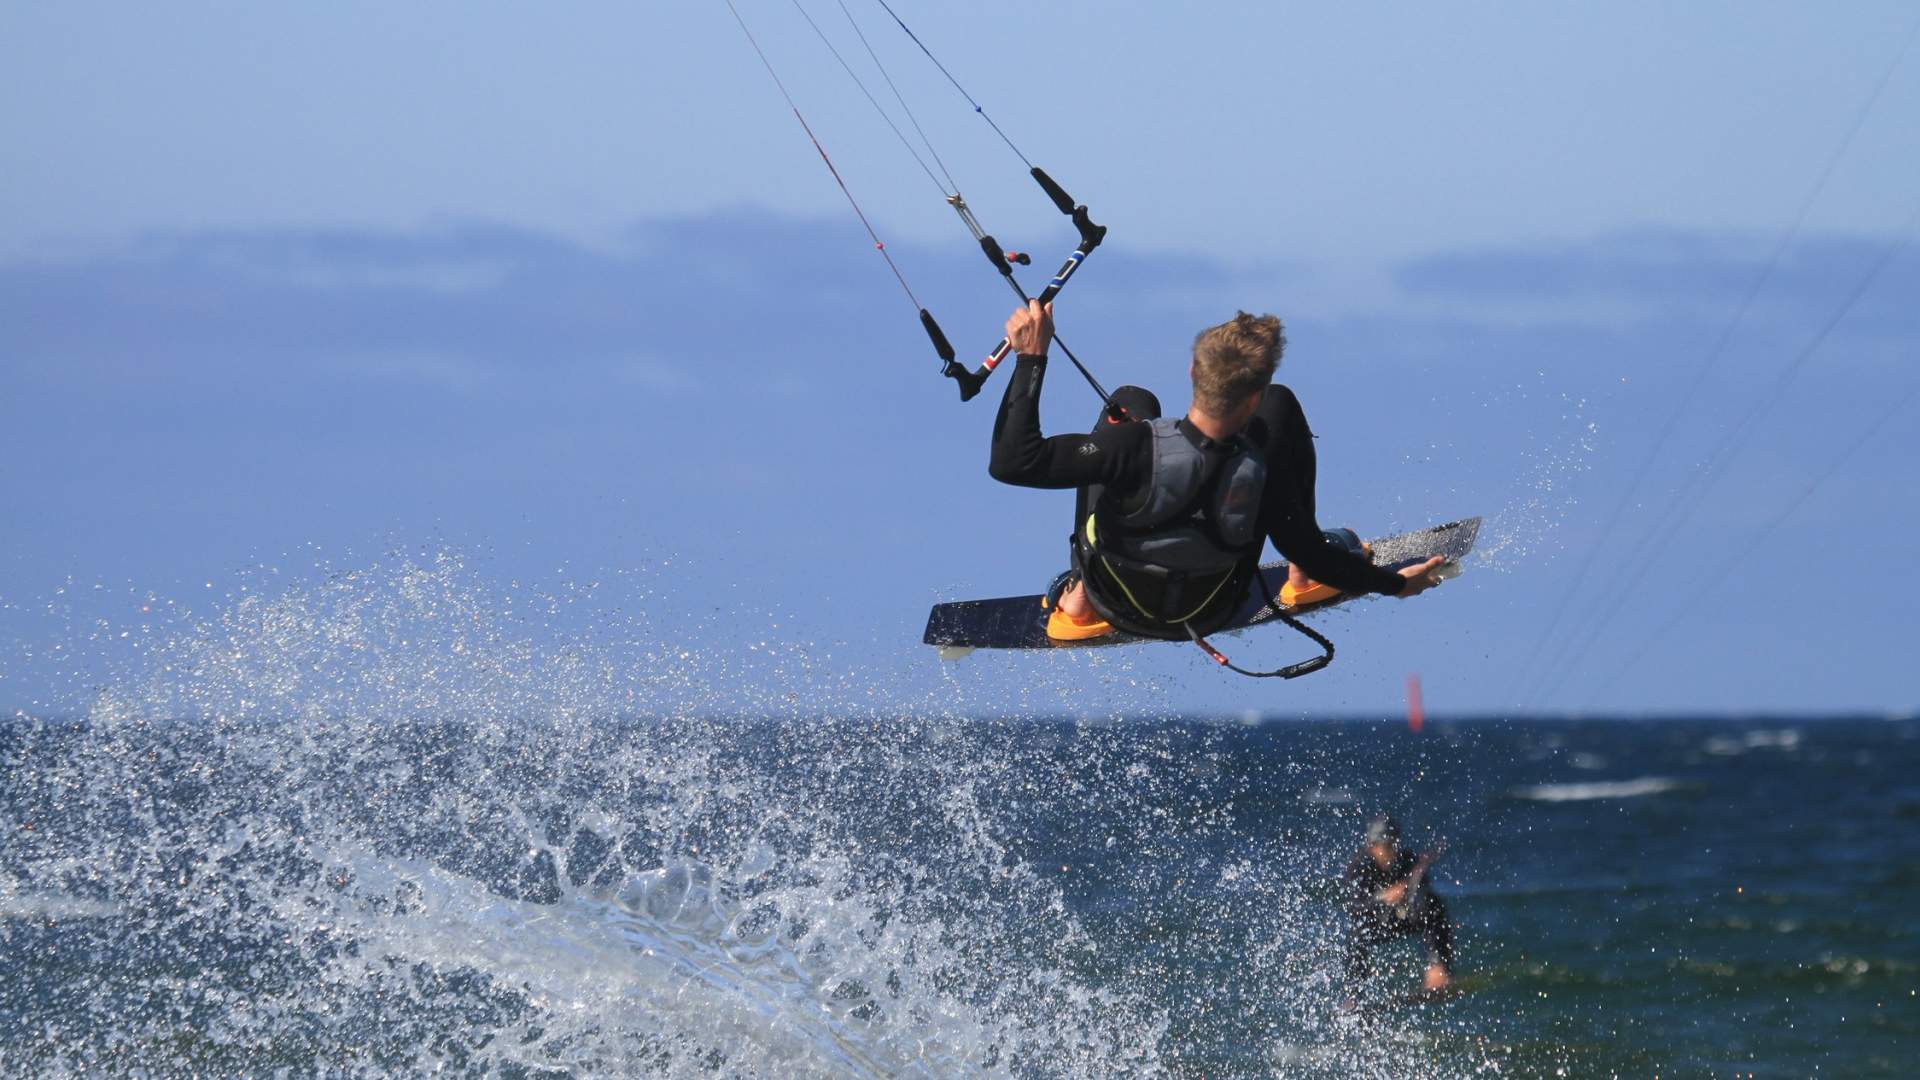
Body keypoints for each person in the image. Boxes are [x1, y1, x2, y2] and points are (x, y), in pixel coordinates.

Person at [986, 299, 1444, 643]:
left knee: (1129, 404)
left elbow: (1013, 462)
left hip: (1119, 602)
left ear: (1192, 371)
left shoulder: (1131, 447)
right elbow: (1309, 546)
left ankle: (1080, 598)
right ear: (1252, 396)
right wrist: (1396, 585)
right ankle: (1302, 579)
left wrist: (1032, 357)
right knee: (1281, 408)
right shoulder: (1262, 471)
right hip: (1211, 606)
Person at [1340, 814, 1453, 999]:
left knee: (1432, 906)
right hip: (1377, 922)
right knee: (1356, 937)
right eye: (1386, 846)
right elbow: (1354, 907)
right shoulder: (1358, 866)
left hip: (1403, 917)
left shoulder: (1407, 860)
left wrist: (1410, 888)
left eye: (1394, 845)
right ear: (1372, 846)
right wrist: (1384, 897)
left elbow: (1424, 889)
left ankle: (1438, 969)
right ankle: (1354, 994)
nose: (1392, 851)